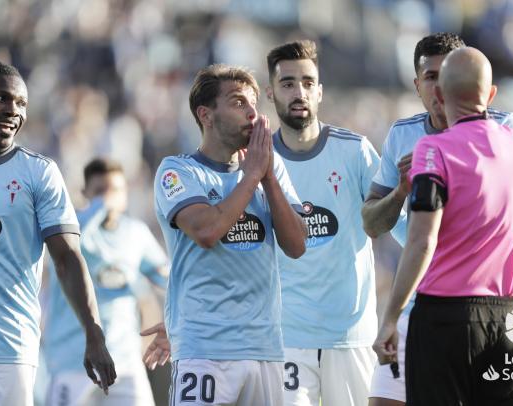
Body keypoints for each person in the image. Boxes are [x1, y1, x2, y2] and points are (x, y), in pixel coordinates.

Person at [0, 61, 115, 406]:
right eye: (2, 99)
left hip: (7, 354)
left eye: (21, 103)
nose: (13, 111)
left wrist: (93, 333)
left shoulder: (39, 174)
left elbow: (67, 258)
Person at [361, 33, 513, 406]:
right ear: (418, 86)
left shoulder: (507, 129)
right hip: (427, 299)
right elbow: (372, 223)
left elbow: (424, 239)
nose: (439, 85)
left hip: (458, 304)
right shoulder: (404, 136)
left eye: (446, 74)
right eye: (431, 76)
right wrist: (402, 192)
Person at [151, 64, 307, 405]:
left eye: (254, 103)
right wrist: (252, 176)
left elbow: (297, 245)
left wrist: (267, 178)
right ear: (205, 114)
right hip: (205, 349)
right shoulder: (177, 171)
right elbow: (207, 230)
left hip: (265, 348)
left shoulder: (270, 168)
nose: (252, 112)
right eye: (238, 103)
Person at [263, 39, 399, 406]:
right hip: (286, 337)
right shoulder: (257, 161)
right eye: (288, 83)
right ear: (270, 92)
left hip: (351, 335)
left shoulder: (354, 151)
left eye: (308, 83)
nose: (299, 92)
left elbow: (403, 229)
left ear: (320, 92)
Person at [43, 157, 168, 405]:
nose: (109, 197)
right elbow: (77, 235)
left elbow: (167, 277)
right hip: (72, 361)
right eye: (100, 191)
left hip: (125, 361)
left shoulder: (136, 233)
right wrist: (100, 205)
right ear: (85, 194)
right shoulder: (70, 229)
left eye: (116, 190)